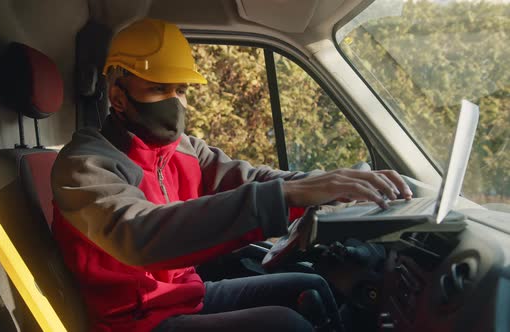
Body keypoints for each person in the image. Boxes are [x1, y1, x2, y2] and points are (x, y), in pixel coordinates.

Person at [51, 18, 412, 332]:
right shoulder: (84, 166)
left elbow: (252, 179)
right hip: (133, 320)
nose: (175, 102)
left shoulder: (184, 150)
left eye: (181, 90)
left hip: (186, 296)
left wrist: (324, 185)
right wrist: (287, 198)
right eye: (159, 88)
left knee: (314, 284)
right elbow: (140, 235)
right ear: (118, 96)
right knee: (286, 326)